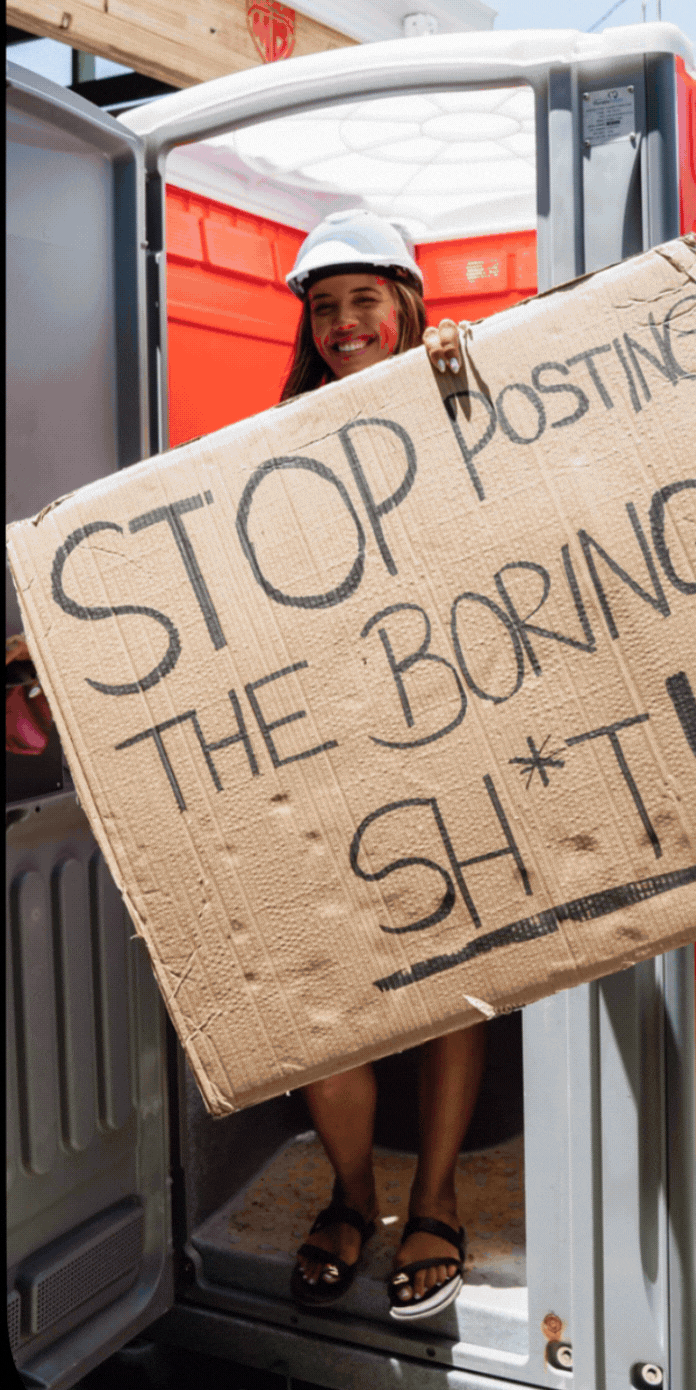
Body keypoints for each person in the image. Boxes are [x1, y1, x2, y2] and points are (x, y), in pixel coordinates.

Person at [281, 211, 487, 1322]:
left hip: (453, 737)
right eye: (324, 307)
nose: (343, 323)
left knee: (456, 981)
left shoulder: (460, 396)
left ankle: (435, 1199)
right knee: (332, 1001)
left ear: (405, 306)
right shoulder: (271, 442)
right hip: (329, 756)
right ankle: (353, 1198)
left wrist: (470, 388)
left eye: (364, 300)